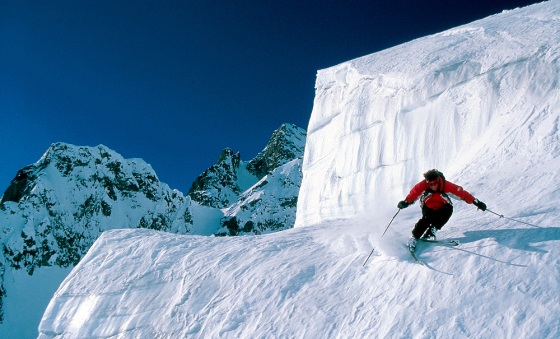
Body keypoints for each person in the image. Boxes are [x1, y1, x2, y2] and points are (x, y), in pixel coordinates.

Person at [397, 169, 487, 250]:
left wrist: (476, 202)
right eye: (430, 184)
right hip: (428, 206)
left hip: (443, 206)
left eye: (435, 183)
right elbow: (413, 194)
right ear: (427, 182)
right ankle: (414, 237)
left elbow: (462, 193)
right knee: (427, 218)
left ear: (438, 180)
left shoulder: (446, 185)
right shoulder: (422, 186)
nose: (433, 186)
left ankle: (432, 231)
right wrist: (405, 202)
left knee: (448, 210)